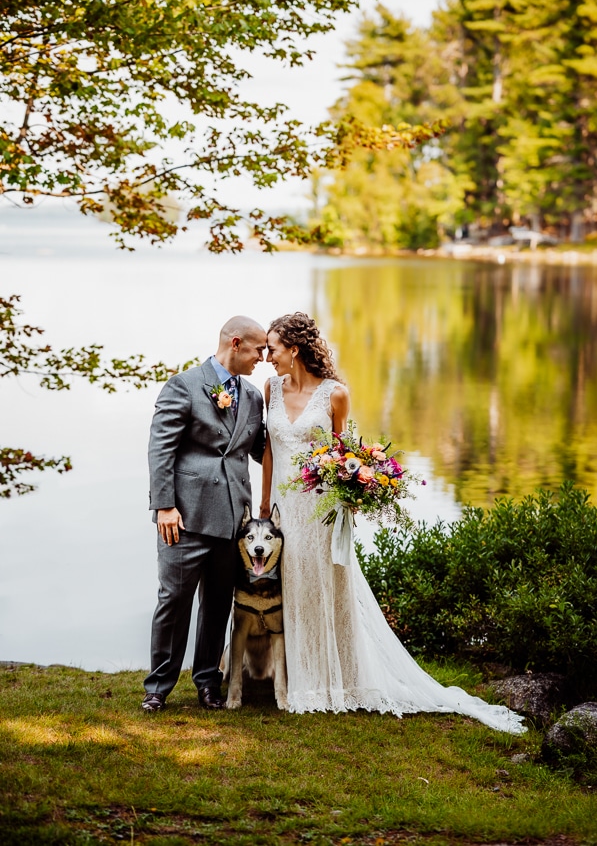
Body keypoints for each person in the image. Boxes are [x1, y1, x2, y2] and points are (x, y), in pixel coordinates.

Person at [260, 312, 525, 734]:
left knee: (326, 585)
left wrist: (351, 497)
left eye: (272, 348)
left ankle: (333, 681)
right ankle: (286, 677)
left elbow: (342, 455)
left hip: (320, 508)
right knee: (289, 584)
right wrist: (262, 506)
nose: (266, 356)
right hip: (281, 507)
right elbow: (270, 450)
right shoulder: (271, 388)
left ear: (294, 349)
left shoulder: (335, 395)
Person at [142, 316, 267, 712]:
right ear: (235, 343)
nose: (262, 358)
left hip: (233, 520)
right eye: (258, 349)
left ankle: (208, 682)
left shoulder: (253, 397)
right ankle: (158, 687)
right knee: (173, 601)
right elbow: (160, 449)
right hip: (185, 517)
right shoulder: (183, 386)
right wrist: (164, 505)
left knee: (218, 604)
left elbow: (263, 449)